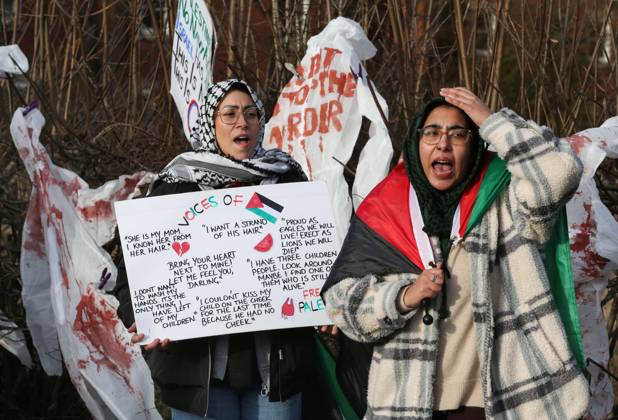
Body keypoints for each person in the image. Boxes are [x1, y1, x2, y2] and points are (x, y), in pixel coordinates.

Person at [321, 87, 590, 419]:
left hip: (498, 403)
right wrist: (403, 296)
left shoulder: (504, 199)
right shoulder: (386, 208)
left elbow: (558, 173)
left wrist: (491, 120)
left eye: (458, 134)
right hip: (406, 406)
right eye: (431, 132)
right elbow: (341, 303)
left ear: (475, 144)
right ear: (416, 144)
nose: (443, 143)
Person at [114, 79, 315, 420]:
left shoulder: (288, 182)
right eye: (231, 114)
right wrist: (144, 317)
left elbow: (314, 262)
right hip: (199, 376)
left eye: (251, 113)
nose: (243, 123)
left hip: (275, 374)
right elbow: (133, 273)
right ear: (210, 123)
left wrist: (325, 302)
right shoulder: (176, 186)